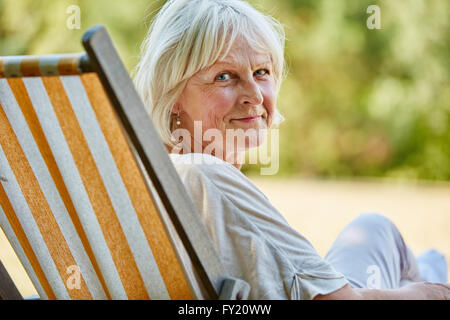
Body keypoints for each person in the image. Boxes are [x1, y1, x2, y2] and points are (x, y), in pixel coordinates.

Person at [134, 0, 449, 299]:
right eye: (224, 76)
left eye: (262, 72)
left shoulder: (148, 180)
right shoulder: (201, 174)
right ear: (172, 93)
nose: (255, 95)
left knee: (383, 235)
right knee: (379, 231)